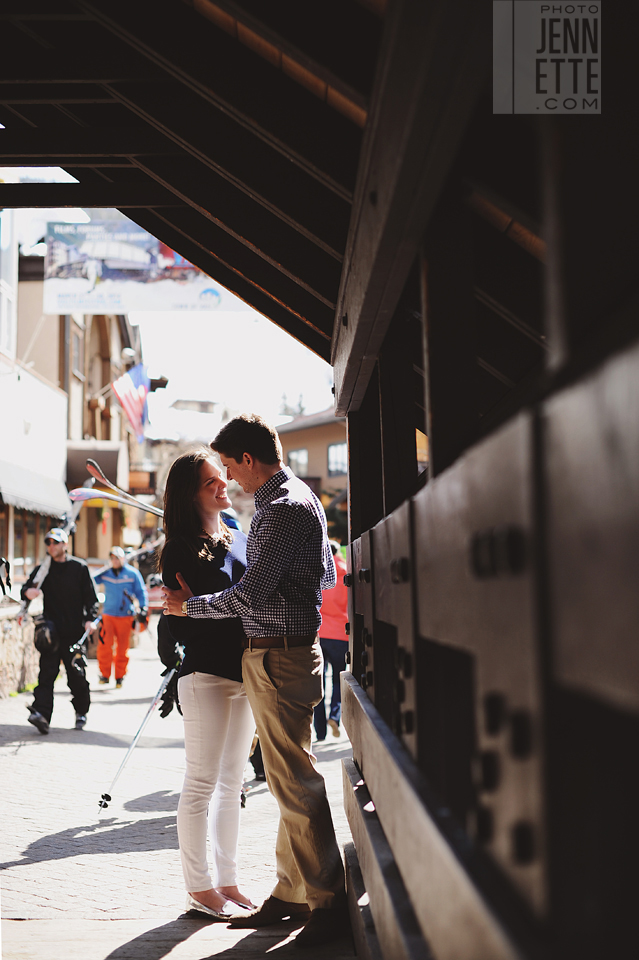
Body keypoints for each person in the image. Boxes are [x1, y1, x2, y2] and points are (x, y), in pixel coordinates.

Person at [163, 414, 349, 948]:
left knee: (294, 782)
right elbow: (327, 574)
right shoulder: (296, 499)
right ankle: (291, 892)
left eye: (228, 466)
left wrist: (189, 606)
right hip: (284, 654)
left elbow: (249, 597)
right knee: (290, 777)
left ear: (247, 459)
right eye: (214, 473)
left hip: (277, 657)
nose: (229, 478)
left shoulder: (279, 508)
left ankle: (326, 900)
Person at [159, 450, 256, 920]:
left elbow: (247, 602)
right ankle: (199, 889)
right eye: (210, 482)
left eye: (222, 479)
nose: (223, 486)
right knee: (200, 784)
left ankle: (229, 880)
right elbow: (183, 624)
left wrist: (214, 605)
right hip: (204, 676)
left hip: (247, 673)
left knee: (233, 785)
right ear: (189, 494)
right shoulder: (178, 548)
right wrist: (218, 608)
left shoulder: (238, 535)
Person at [22, 528, 99, 734]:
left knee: (76, 676)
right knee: (46, 674)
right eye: (48, 543)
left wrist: (91, 619)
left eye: (55, 542)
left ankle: (81, 712)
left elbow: (91, 598)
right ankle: (42, 715)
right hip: (51, 632)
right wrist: (28, 592)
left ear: (65, 544)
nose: (51, 546)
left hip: (74, 632)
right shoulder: (44, 569)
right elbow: (26, 589)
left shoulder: (79, 568)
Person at [94, 546, 148, 688]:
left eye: (117, 558)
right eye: (112, 558)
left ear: (123, 558)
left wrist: (143, 608)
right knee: (105, 646)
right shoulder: (106, 574)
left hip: (125, 616)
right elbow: (92, 580)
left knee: (122, 648)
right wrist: (103, 569)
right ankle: (105, 675)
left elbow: (141, 592)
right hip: (108, 615)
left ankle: (120, 676)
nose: (115, 561)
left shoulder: (132, 574)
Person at [313, 541, 349, 741]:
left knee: (319, 683)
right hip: (341, 634)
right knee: (338, 679)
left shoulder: (318, 572)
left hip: (319, 633)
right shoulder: (345, 572)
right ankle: (335, 716)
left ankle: (320, 731)